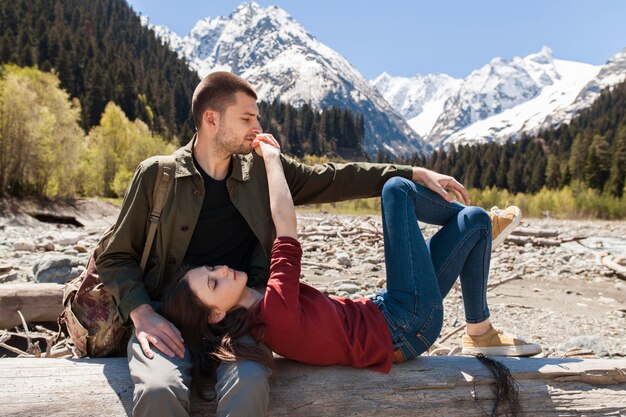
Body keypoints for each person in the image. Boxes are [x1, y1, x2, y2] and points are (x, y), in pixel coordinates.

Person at [96, 71, 523, 417]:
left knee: (248, 389)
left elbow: (333, 177)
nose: (257, 127)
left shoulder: (260, 172)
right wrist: (143, 314)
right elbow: (116, 257)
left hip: (243, 323)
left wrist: (410, 171)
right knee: (157, 390)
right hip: (172, 321)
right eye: (247, 118)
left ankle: (479, 229)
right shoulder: (159, 176)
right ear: (212, 120)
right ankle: (480, 237)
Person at [162, 137, 541, 387]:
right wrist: (272, 161)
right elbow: (285, 225)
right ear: (215, 315)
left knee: (471, 220)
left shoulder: (258, 302)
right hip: (404, 326)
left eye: (211, 268)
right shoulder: (272, 312)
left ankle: (481, 329)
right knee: (396, 189)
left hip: (385, 309)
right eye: (213, 283)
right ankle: (478, 230)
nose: (221, 271)